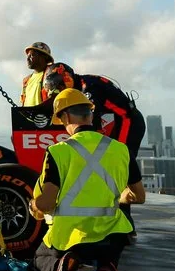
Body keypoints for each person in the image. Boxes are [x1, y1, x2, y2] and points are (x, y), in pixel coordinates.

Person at [29, 88, 145, 271]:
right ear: (90, 115)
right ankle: (107, 264)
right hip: (112, 239)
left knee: (39, 258)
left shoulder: (58, 152)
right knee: (108, 242)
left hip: (72, 239)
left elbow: (46, 203)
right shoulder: (121, 149)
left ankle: (62, 267)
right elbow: (139, 196)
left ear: (65, 116)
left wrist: (33, 205)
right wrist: (119, 197)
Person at [43, 62, 147, 237]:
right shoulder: (80, 88)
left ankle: (126, 224)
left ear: (67, 77)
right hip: (118, 122)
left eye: (60, 86)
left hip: (128, 121)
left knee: (117, 163)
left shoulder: (88, 88)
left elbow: (91, 121)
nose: (59, 90)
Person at [22, 42, 54, 106]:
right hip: (29, 116)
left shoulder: (52, 75)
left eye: (31, 55)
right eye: (28, 56)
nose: (28, 59)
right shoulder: (26, 80)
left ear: (43, 57)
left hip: (44, 115)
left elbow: (55, 98)